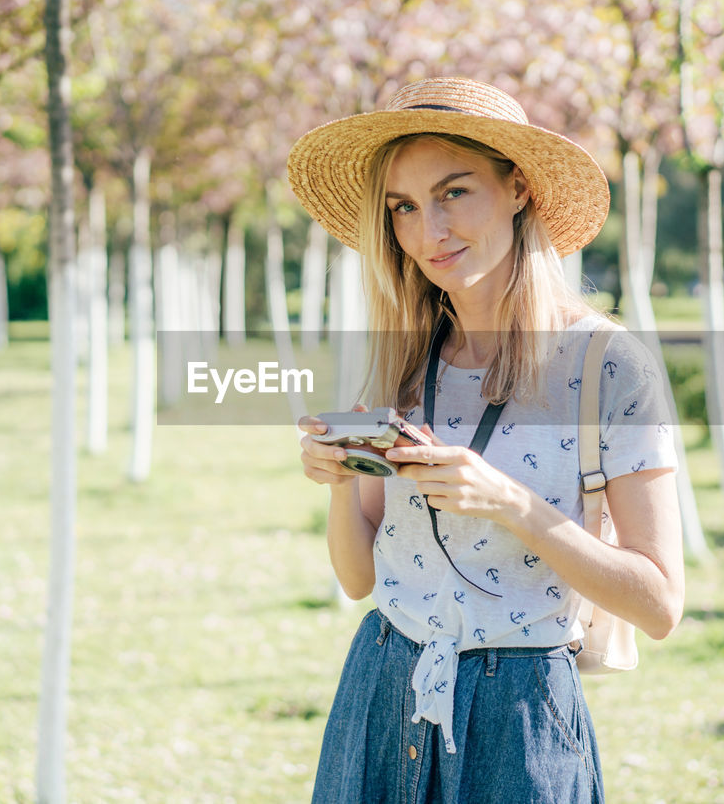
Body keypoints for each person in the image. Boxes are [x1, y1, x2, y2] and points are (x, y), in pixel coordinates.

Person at [287, 77, 684, 803]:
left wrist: (509, 501)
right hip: (381, 690)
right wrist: (342, 476)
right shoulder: (402, 355)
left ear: (519, 189)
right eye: (402, 206)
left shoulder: (608, 365)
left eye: (454, 192)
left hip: (520, 717)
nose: (427, 230)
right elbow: (357, 579)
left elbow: (659, 602)